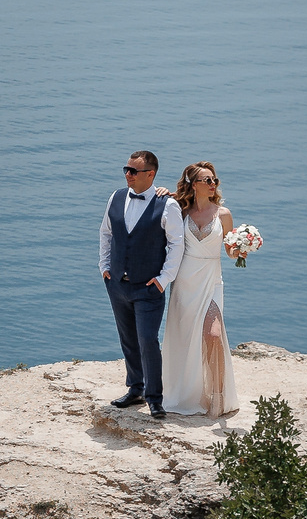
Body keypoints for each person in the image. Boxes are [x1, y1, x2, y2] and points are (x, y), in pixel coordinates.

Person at [99, 150, 185, 416]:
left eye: (133, 171)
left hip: (149, 288)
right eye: (126, 169)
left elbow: (176, 245)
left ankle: (154, 397)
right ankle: (135, 389)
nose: (128, 175)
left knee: (147, 339)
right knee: (127, 339)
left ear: (151, 174)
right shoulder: (116, 197)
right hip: (117, 284)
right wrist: (104, 267)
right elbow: (106, 232)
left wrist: (163, 280)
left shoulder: (168, 205)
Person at [160, 161, 240, 417]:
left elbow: (229, 251)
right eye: (206, 180)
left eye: (214, 179)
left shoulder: (224, 214)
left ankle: (217, 396)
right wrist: (162, 192)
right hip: (184, 282)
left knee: (213, 335)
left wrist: (241, 250)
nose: (212, 184)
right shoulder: (181, 211)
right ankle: (185, 393)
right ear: (194, 185)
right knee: (184, 338)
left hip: (211, 280)